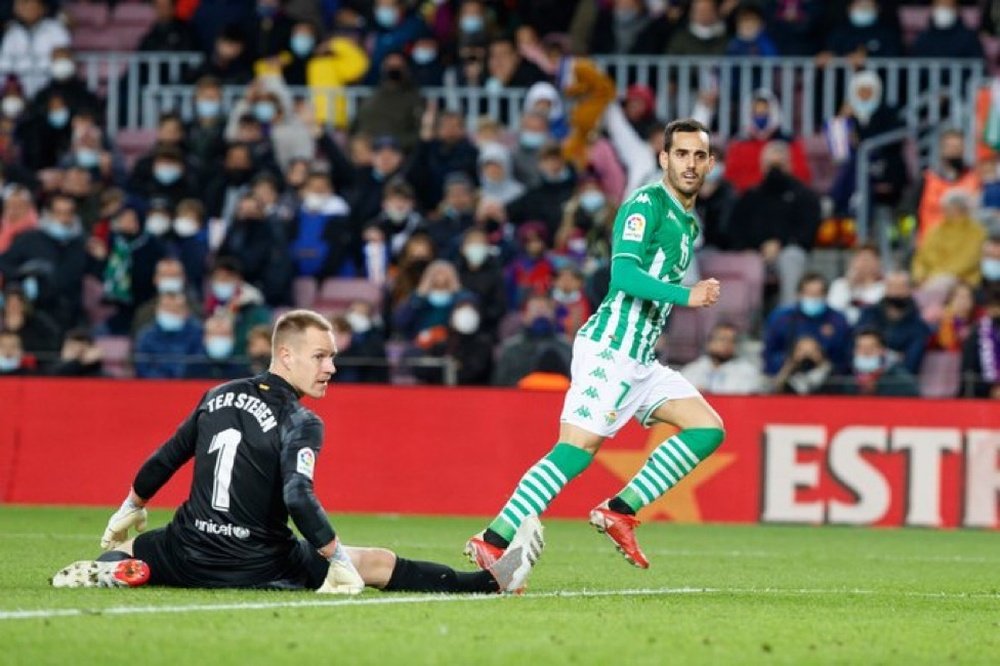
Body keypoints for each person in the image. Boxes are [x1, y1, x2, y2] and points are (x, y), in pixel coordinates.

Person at [51, 310, 542, 594]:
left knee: (134, 548)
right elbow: (298, 497)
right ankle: (488, 585)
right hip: (257, 562)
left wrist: (130, 506)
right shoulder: (301, 419)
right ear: (285, 355)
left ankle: (118, 566)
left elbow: (165, 458)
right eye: (320, 357)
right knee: (373, 560)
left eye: (333, 356)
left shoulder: (216, 394)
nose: (331, 367)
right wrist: (336, 558)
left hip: (185, 550)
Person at [466, 119, 724, 571]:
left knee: (707, 428)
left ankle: (620, 510)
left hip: (642, 358)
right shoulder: (645, 205)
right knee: (575, 451)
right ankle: (493, 539)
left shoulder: (687, 222)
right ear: (664, 159)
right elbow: (622, 275)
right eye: (681, 154)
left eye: (699, 156)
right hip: (611, 349)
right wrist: (688, 295)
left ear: (709, 164)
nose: (690, 164)